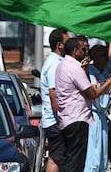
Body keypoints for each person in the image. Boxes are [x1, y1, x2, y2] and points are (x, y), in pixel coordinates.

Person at [55, 37, 111, 172]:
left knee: (86, 158)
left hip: (76, 117)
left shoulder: (67, 65)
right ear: (75, 51)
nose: (86, 53)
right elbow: (93, 94)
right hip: (79, 119)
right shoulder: (75, 68)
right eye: (84, 49)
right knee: (81, 161)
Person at [40, 28, 69, 172]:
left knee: (60, 158)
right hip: (55, 121)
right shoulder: (54, 64)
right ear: (59, 45)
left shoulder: (59, 61)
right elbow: (54, 95)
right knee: (56, 158)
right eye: (67, 42)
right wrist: (62, 120)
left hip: (56, 120)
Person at [84, 45, 111, 172]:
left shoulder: (105, 70)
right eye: (103, 56)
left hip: (102, 116)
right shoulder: (91, 72)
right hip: (93, 115)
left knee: (103, 153)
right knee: (94, 153)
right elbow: (95, 92)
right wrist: (110, 81)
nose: (107, 59)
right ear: (95, 57)